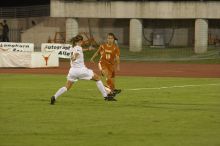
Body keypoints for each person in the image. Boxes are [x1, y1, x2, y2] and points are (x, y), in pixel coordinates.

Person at [50, 34, 116, 105]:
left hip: (72, 71)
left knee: (67, 87)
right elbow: (76, 54)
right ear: (79, 41)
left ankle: (54, 96)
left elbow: (78, 51)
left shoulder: (73, 47)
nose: (82, 42)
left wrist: (87, 49)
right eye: (82, 41)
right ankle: (106, 96)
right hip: (81, 70)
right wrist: (74, 57)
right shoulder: (78, 48)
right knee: (98, 78)